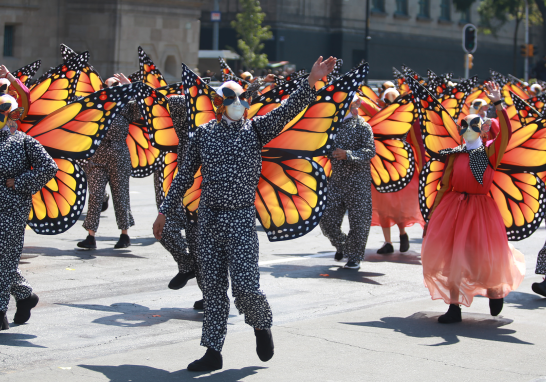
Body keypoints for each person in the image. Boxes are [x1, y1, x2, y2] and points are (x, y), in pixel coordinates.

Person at [153, 56, 337, 371]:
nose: (238, 103)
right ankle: (213, 352)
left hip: (240, 221)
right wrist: (164, 212)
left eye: (241, 97)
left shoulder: (255, 130)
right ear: (219, 104)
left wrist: (311, 82)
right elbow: (184, 176)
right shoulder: (203, 134)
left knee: (246, 287)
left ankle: (261, 325)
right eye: (231, 98)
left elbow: (288, 111)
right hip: (208, 220)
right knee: (212, 290)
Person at [421, 81, 525, 323]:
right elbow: (444, 186)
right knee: (452, 257)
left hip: (481, 210)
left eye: (473, 124)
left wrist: (499, 103)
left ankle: (495, 291)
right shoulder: (455, 154)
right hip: (454, 209)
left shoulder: (489, 152)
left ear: (483, 129)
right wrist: (432, 216)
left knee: (483, 255)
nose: (468, 128)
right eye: (464, 125)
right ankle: (454, 307)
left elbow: (507, 134)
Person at [0, 85, 58, 330]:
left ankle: (1, 311)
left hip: (13, 210)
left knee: (4, 260)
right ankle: (25, 295)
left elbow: (49, 167)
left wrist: (21, 182)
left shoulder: (25, 142)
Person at [77, 74, 140, 249]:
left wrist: (131, 86)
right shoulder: (98, 105)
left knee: (121, 195)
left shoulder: (126, 106)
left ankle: (124, 234)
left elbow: (143, 108)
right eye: (110, 85)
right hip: (98, 154)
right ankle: (90, 236)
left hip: (119, 154)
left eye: (117, 85)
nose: (113, 88)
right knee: (96, 195)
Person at [154, 94, 204, 308]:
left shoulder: (205, 130)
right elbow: (159, 107)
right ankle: (186, 266)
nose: (174, 116)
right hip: (178, 190)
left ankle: (210, 297)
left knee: (200, 246)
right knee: (164, 230)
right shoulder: (180, 132)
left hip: (199, 196)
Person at [320, 94, 376, 269]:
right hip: (336, 181)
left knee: (359, 222)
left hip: (358, 182)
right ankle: (344, 246)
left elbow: (370, 151)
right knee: (325, 219)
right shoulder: (331, 125)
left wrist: (348, 154)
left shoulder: (363, 126)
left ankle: (355, 257)